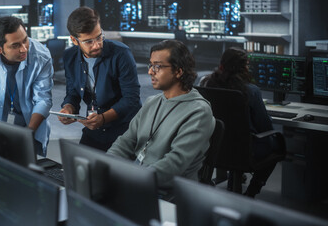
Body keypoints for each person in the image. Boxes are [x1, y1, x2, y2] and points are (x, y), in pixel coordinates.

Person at [107, 40, 215, 190]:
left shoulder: (199, 111)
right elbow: (125, 142)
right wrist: (105, 166)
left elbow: (174, 163)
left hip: (167, 192)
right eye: (150, 65)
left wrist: (133, 179)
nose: (150, 71)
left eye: (157, 66)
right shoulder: (152, 102)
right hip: (138, 181)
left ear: (178, 71)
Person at [200, 47, 283, 198]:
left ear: (222, 64)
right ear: (244, 68)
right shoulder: (251, 91)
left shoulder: (208, 85)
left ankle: (235, 179)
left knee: (236, 145)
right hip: (244, 151)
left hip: (215, 149)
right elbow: (265, 127)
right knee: (277, 144)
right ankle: (251, 192)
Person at [58, 6, 141, 151]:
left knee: (116, 172)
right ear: (74, 40)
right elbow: (73, 92)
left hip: (125, 129)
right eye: (88, 41)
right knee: (79, 168)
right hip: (94, 128)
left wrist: (103, 118)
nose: (97, 45)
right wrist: (68, 108)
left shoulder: (121, 54)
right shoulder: (69, 57)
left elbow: (131, 99)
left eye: (99, 37)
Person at [0, 16, 53, 156]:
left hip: (32, 127)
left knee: (32, 174)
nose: (23, 49)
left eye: (25, 40)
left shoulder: (41, 57)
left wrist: (27, 134)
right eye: (15, 45)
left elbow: (43, 100)